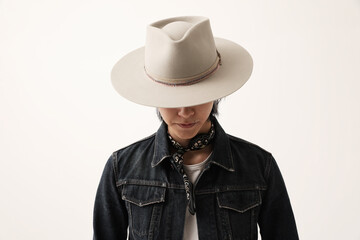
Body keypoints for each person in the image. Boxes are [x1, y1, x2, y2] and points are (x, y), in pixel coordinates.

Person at [93, 16, 299, 240]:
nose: (184, 112)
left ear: (215, 92)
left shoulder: (259, 166)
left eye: (196, 97)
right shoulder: (122, 168)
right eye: (172, 100)